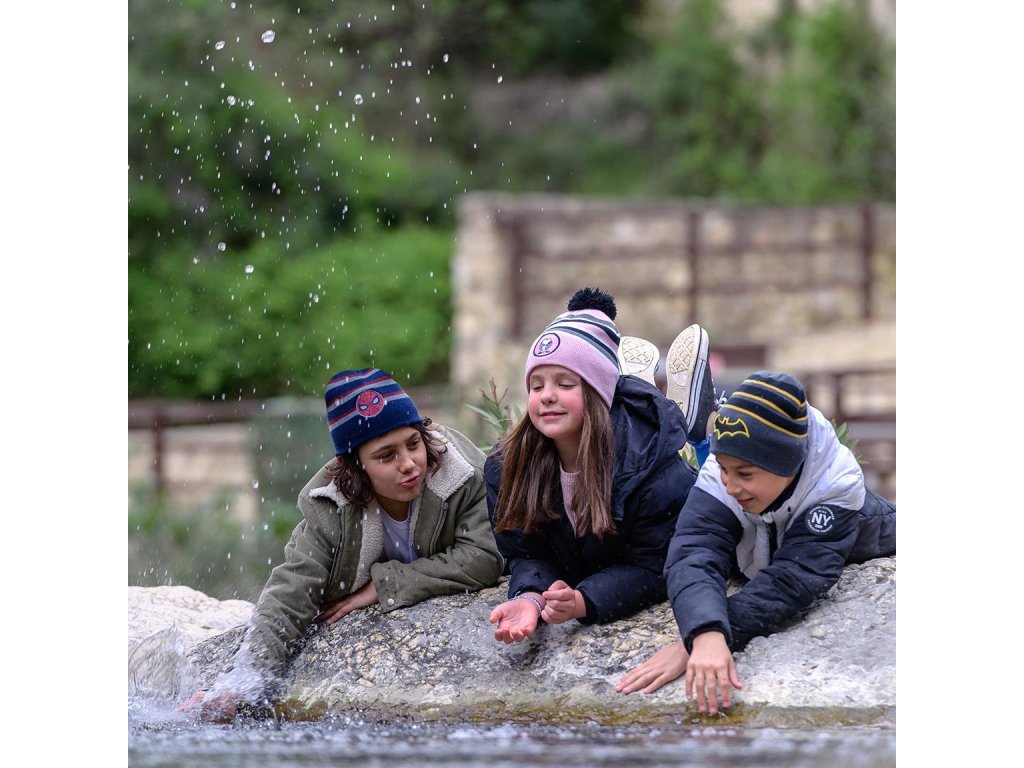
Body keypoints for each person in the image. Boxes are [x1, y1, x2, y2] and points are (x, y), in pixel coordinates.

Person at [178, 368, 504, 721]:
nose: (409, 464)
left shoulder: (462, 474)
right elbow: (290, 593)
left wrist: (385, 585)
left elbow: (484, 556)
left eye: (413, 443)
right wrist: (239, 684)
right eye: (386, 456)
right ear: (355, 467)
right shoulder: (329, 507)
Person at [616, 369, 896, 714]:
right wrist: (703, 632)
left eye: (745, 474)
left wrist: (711, 637)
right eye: (723, 468)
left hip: (863, 532)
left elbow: (793, 579)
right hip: (756, 541)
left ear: (787, 464)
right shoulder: (726, 471)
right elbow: (693, 552)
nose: (731, 486)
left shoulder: (835, 486)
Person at [484, 287, 717, 643]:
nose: (547, 396)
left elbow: (657, 565)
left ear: (598, 393)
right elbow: (526, 553)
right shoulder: (508, 468)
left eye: (565, 383)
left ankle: (688, 430)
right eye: (536, 386)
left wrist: (584, 600)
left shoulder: (652, 471)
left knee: (712, 493)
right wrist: (530, 595)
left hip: (691, 511)